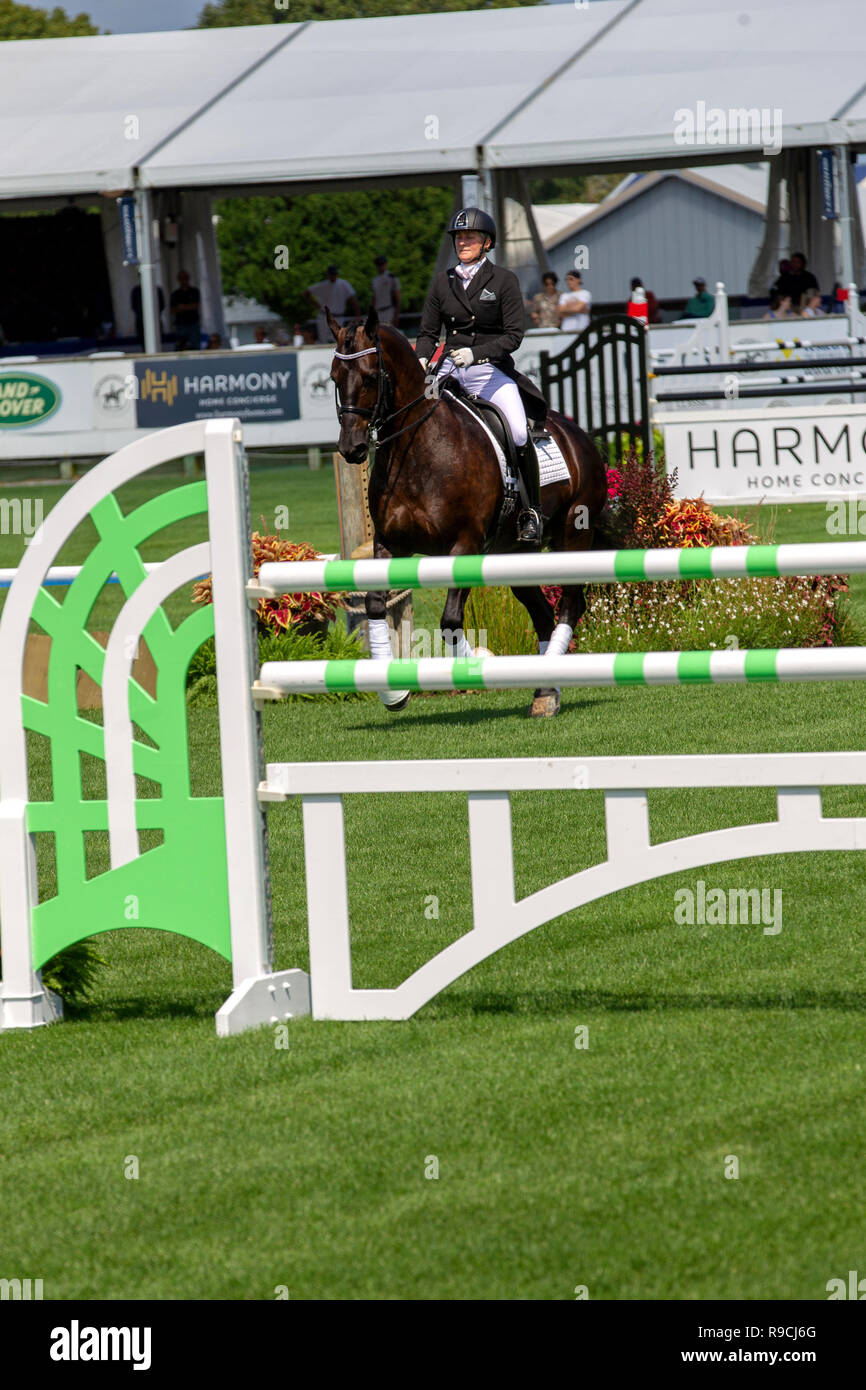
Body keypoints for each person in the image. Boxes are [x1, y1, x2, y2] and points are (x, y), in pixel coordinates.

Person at [415, 206, 548, 546]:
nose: (463, 242)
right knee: (414, 419)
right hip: (447, 369)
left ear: (486, 243)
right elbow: (429, 333)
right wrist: (421, 359)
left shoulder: (503, 280)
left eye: (469, 237)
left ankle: (530, 511)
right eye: (459, 237)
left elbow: (514, 335)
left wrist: (476, 353)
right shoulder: (442, 283)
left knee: (518, 432)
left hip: (490, 370)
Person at [305, 265, 360, 343]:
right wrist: (316, 304)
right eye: (331, 274)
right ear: (328, 275)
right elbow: (306, 293)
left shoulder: (343, 284)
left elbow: (353, 299)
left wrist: (358, 315)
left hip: (338, 317)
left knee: (338, 340)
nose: (333, 276)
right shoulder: (323, 285)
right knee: (323, 341)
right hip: (324, 316)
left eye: (334, 274)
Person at [170, 270, 201, 350]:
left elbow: (195, 306)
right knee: (180, 346)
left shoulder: (194, 291)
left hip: (193, 323)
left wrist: (182, 307)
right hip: (181, 324)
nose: (183, 280)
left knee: (195, 345)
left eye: (185, 278)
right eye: (181, 278)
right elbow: (172, 310)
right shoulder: (176, 294)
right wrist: (187, 307)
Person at [130, 282, 165, 348]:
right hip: (141, 322)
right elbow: (134, 306)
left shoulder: (157, 289)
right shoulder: (136, 291)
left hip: (155, 321)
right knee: (144, 344)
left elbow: (161, 306)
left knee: (158, 343)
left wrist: (153, 318)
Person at [371, 254, 401, 327]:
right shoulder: (375, 280)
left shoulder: (392, 278)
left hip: (389, 310)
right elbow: (374, 298)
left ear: (385, 264)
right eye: (378, 265)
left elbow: (397, 297)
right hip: (378, 312)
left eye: (382, 264)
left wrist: (396, 315)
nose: (380, 267)